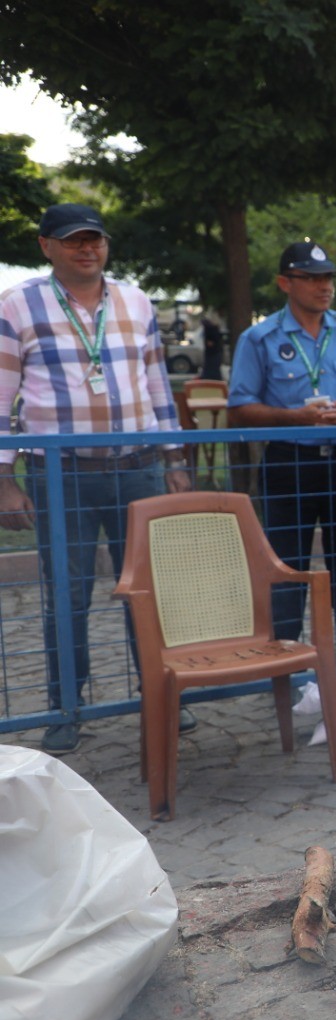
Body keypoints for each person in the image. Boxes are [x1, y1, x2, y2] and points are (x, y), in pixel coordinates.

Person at [0, 203, 193, 755]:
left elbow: (158, 384)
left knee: (151, 592)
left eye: (96, 240)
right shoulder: (17, 305)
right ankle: (66, 707)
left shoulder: (135, 300)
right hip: (62, 476)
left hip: (139, 470)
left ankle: (162, 693)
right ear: (46, 246)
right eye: (73, 241)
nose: (88, 249)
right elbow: (0, 393)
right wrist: (3, 480)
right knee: (68, 593)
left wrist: (175, 458)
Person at [228, 241, 336, 668]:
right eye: (312, 278)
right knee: (286, 567)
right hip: (290, 462)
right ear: (286, 283)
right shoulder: (259, 338)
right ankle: (286, 664)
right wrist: (293, 416)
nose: (324, 287)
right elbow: (241, 406)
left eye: (328, 279)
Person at [199, 313, 225, 381]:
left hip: (212, 353)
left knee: (211, 369)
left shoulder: (210, 330)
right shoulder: (214, 330)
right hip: (214, 353)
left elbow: (211, 342)